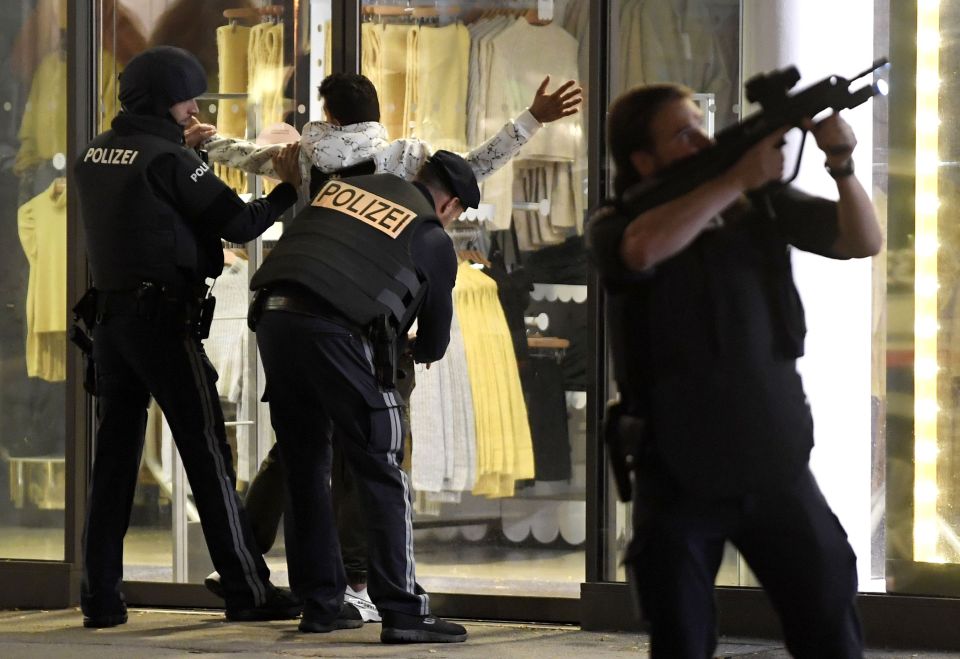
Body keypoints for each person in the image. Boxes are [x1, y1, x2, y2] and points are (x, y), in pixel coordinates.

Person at [194, 70, 582, 620]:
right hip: (367, 325)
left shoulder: (301, 156)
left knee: (299, 455)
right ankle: (372, 591)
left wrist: (206, 140)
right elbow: (475, 165)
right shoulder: (404, 164)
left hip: (283, 306)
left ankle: (301, 588)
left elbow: (250, 157)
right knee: (376, 458)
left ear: (326, 114)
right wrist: (531, 120)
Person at [586, 83, 882, 657]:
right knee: (683, 636)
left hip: (774, 456)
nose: (702, 138)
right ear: (643, 160)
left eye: (701, 124)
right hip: (677, 466)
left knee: (828, 620)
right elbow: (640, 250)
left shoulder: (760, 204)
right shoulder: (618, 219)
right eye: (681, 133)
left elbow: (862, 239)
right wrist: (734, 180)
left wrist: (841, 164)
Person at [72, 45, 303, 629]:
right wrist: (286, 186)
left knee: (114, 465)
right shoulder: (170, 161)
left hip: (109, 327)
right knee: (207, 455)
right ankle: (247, 590)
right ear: (161, 100)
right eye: (184, 99)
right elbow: (242, 223)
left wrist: (186, 148)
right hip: (163, 326)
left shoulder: (95, 153)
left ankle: (101, 597)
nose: (193, 107)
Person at [246, 150, 479, 643]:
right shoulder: (431, 233)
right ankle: (403, 610)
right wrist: (409, 348)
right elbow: (435, 340)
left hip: (272, 314)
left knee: (305, 463)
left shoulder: (349, 190)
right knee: (382, 462)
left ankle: (322, 604)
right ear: (453, 204)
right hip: (335, 330)